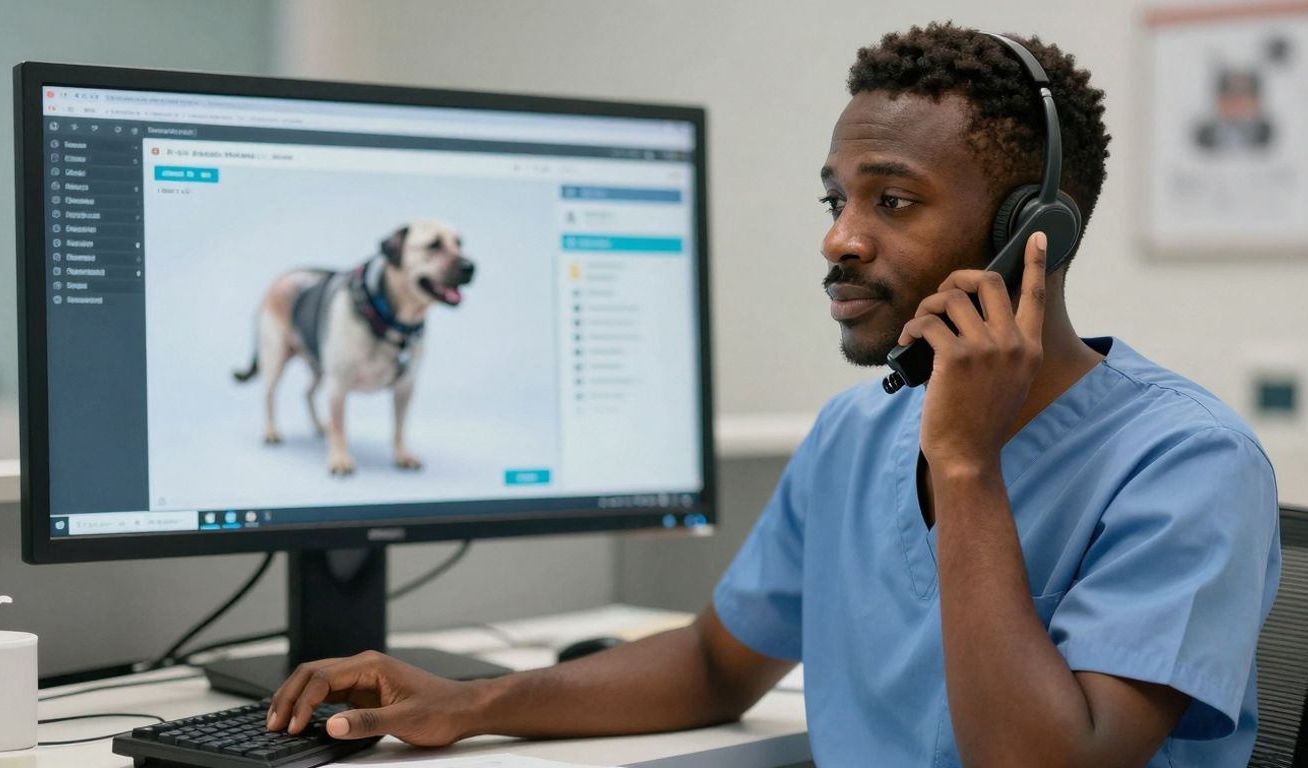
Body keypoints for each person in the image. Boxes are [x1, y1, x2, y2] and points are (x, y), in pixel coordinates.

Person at [265, 23, 1281, 767]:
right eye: (835, 199)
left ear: (1033, 231)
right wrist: (472, 702)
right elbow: (715, 663)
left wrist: (965, 467)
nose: (838, 236)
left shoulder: (1186, 464)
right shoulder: (856, 431)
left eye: (891, 200)